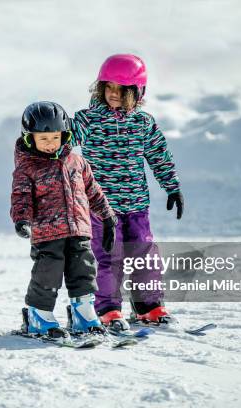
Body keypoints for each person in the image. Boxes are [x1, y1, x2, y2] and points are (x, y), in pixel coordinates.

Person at [71, 54, 184, 330]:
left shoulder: (143, 123)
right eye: (108, 88)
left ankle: (149, 305)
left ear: (137, 92)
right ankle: (107, 309)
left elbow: (158, 155)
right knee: (107, 256)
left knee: (144, 253)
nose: (113, 95)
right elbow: (66, 139)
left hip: (136, 205)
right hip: (99, 208)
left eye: (121, 91)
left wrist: (172, 186)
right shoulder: (88, 120)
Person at [10, 101, 118, 337]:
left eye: (55, 137)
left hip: (79, 229)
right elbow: (21, 196)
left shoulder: (77, 162)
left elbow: (93, 191)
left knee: (84, 270)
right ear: (30, 139)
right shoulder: (27, 168)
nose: (50, 144)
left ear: (64, 135)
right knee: (48, 273)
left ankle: (84, 313)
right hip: (47, 234)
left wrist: (108, 216)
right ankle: (39, 316)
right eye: (43, 139)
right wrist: (22, 220)